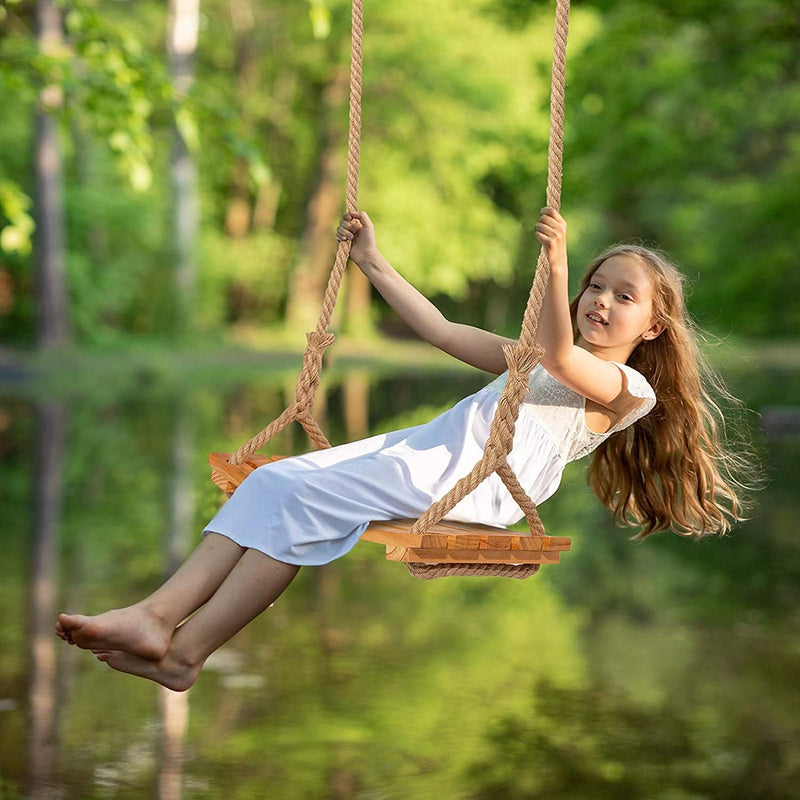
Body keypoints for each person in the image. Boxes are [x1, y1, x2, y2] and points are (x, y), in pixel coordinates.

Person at [55, 207, 753, 691]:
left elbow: (565, 357)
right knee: (272, 484)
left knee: (295, 499)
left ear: (655, 325)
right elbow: (446, 331)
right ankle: (164, 630)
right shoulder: (534, 358)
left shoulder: (629, 388)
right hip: (426, 458)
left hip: (473, 483)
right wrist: (373, 263)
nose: (599, 299)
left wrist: (556, 256)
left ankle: (180, 645)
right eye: (592, 286)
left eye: (621, 296)